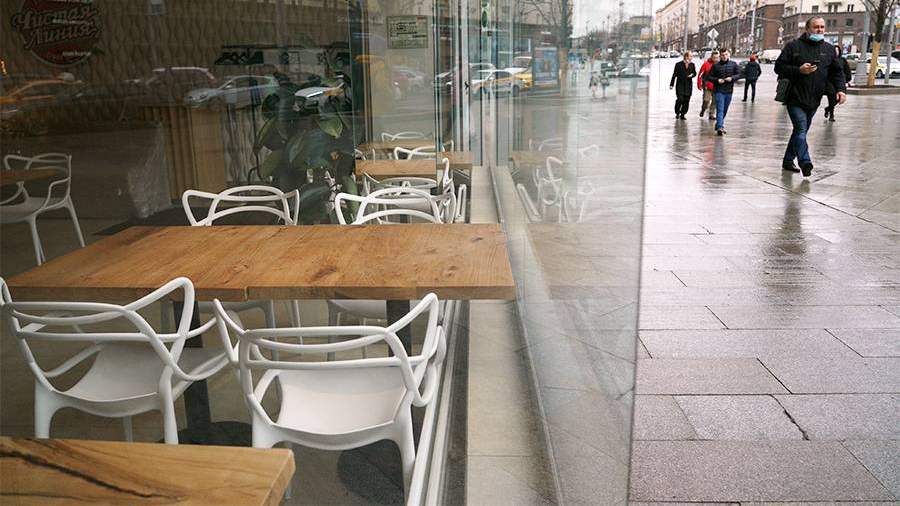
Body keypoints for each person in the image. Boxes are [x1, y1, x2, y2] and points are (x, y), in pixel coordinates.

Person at [775, 16, 847, 176]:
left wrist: (841, 90)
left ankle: (788, 160)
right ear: (807, 29)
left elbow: (837, 72)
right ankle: (805, 161)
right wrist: (798, 70)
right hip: (795, 96)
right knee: (801, 128)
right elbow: (779, 67)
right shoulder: (793, 46)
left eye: (822, 27)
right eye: (816, 27)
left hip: (815, 98)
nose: (819, 30)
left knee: (800, 132)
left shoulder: (829, 49)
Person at [706, 49, 740, 135]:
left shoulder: (733, 64)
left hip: (729, 91)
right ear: (720, 56)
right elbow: (709, 77)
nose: (724, 56)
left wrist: (732, 78)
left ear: (729, 55)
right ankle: (720, 127)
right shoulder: (715, 66)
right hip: (719, 90)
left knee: (725, 110)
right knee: (720, 109)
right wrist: (717, 80)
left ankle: (718, 124)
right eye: (722, 55)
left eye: (726, 54)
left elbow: (739, 74)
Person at [823, 45, 852, 122]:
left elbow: (846, 71)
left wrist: (847, 80)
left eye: (837, 50)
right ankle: (831, 115)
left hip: (839, 82)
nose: (836, 52)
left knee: (838, 99)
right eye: (834, 50)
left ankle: (828, 108)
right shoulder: (828, 59)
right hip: (829, 82)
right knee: (832, 98)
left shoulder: (842, 60)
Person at [670, 51, 697, 119]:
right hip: (680, 85)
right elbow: (674, 75)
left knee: (686, 100)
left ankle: (683, 114)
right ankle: (677, 112)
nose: (691, 57)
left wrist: (692, 75)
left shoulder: (692, 65)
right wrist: (671, 84)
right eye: (690, 56)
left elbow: (694, 73)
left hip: (688, 85)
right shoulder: (678, 64)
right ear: (686, 56)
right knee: (680, 99)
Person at [697, 50, 718, 119]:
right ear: (711, 57)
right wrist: (699, 84)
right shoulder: (706, 64)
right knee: (706, 100)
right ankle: (703, 109)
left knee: (714, 101)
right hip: (707, 86)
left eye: (717, 58)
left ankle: (711, 114)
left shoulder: (719, 65)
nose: (715, 59)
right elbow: (700, 75)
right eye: (714, 57)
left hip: (716, 87)